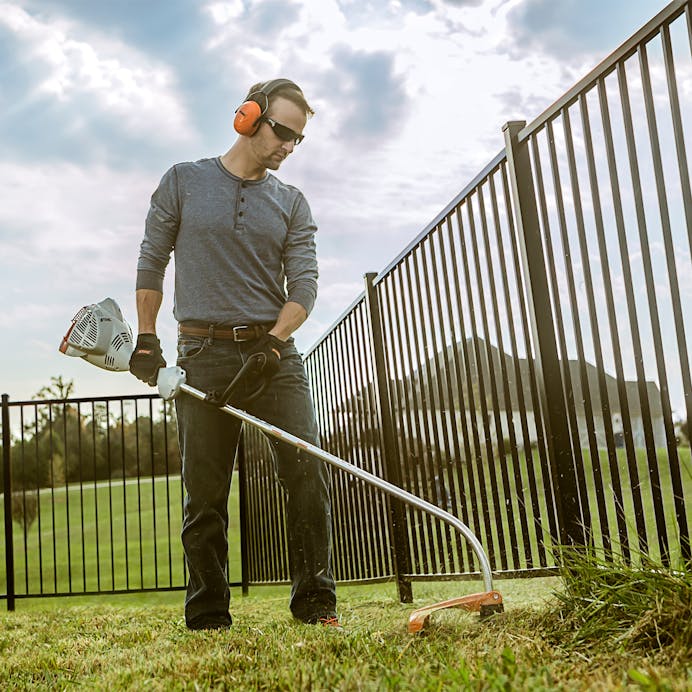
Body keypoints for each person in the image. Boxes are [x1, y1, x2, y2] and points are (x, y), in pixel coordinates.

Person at [129, 78, 338, 630]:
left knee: (306, 475)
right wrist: (147, 339)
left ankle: (316, 605)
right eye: (283, 130)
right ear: (248, 118)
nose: (290, 145)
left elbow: (305, 285)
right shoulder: (183, 181)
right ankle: (207, 615)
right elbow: (152, 262)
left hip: (274, 358)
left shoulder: (291, 202)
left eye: (299, 138)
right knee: (205, 493)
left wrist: (273, 344)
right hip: (201, 352)